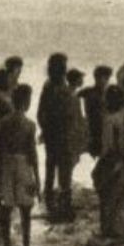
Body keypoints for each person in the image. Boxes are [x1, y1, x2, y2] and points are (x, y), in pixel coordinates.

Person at [0, 84, 39, 246]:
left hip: (6, 163)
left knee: (6, 207)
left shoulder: (4, 122)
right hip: (23, 164)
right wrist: (37, 177)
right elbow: (33, 153)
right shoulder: (30, 124)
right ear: (27, 102)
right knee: (26, 208)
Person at [37, 54, 79, 219]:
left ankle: (51, 204)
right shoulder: (62, 89)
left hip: (53, 135)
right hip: (61, 135)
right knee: (63, 172)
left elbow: (41, 113)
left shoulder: (49, 86)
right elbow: (70, 116)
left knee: (52, 169)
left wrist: (45, 129)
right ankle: (63, 207)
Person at [91, 84, 124, 243]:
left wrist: (99, 167)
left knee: (106, 196)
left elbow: (107, 148)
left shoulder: (109, 120)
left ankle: (106, 232)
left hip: (112, 160)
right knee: (120, 201)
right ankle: (118, 232)